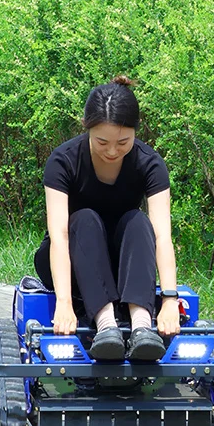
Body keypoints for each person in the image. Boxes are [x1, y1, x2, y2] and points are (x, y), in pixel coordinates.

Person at [34, 76, 180, 362]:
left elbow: (162, 236)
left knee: (138, 221)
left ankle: (141, 326)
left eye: (123, 142)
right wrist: (63, 303)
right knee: (85, 219)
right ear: (87, 128)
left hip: (124, 267)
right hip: (73, 263)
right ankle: (106, 327)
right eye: (103, 141)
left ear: (136, 133)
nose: (113, 151)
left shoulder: (150, 164)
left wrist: (170, 300)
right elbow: (60, 235)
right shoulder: (63, 161)